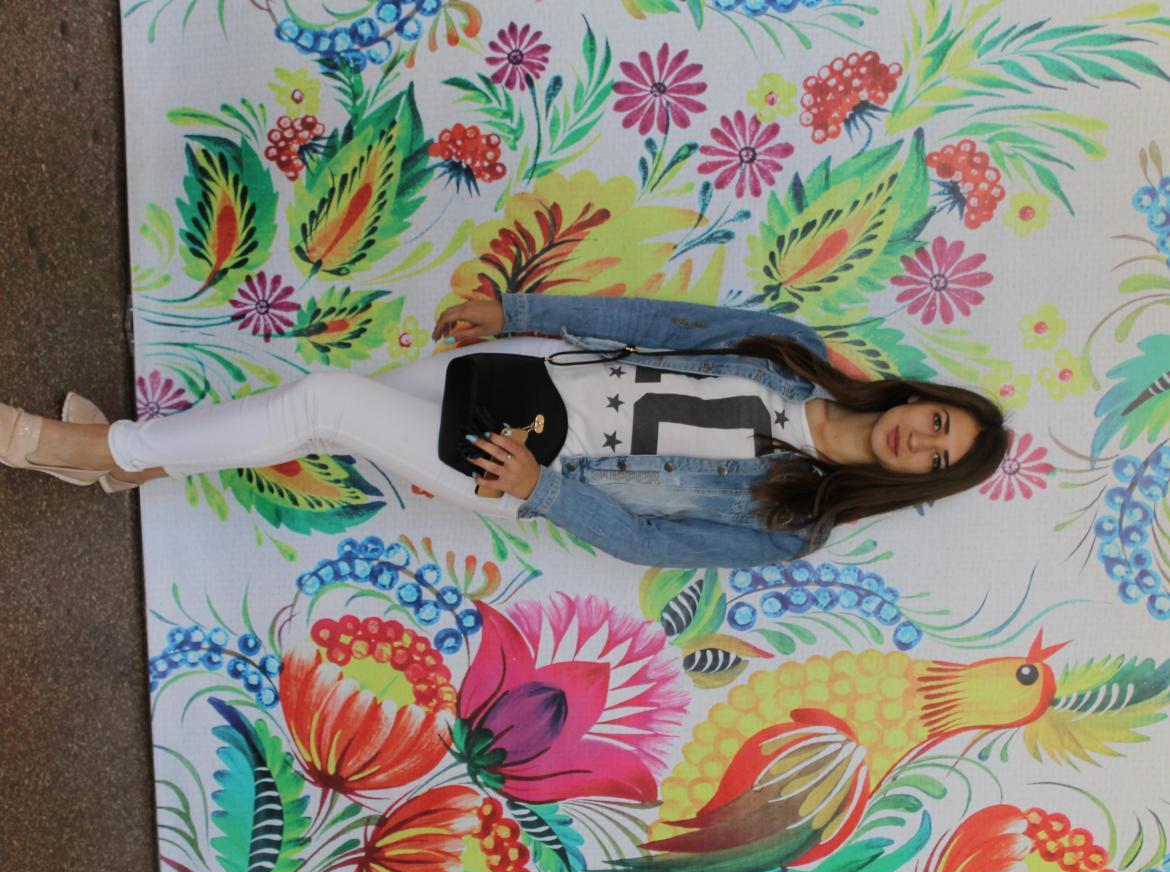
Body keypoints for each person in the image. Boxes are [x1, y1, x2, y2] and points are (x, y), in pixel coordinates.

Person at [0, 293, 1007, 567]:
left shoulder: (794, 525)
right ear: (919, 399)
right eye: (937, 420)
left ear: (923, 478)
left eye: (939, 456)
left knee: (324, 404)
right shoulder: (796, 353)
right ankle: (141, 467)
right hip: (528, 372)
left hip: (523, 463)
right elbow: (657, 324)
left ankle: (87, 451)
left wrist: (539, 487)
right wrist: (521, 310)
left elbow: (649, 541)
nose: (921, 440)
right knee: (336, 420)